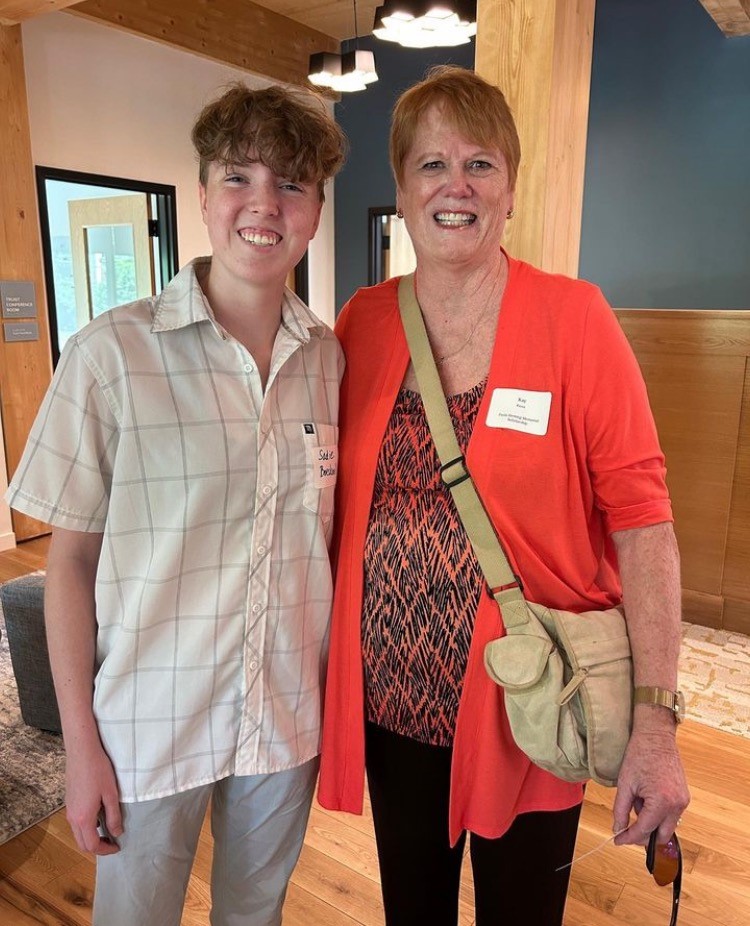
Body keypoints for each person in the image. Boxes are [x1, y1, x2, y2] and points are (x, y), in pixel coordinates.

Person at [318, 66, 690, 926]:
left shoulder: (574, 319)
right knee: (412, 909)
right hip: (392, 711)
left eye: (480, 164)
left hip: (531, 704)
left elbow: (644, 524)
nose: (456, 186)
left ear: (511, 191)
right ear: (403, 193)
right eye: (431, 165)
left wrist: (657, 725)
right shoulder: (363, 322)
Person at [6, 82, 347, 926]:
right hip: (149, 727)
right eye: (238, 178)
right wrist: (79, 750)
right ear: (202, 195)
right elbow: (70, 567)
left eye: (291, 185)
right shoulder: (110, 356)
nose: (262, 205)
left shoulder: (332, 362)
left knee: (253, 917)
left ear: (315, 212)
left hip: (284, 718)